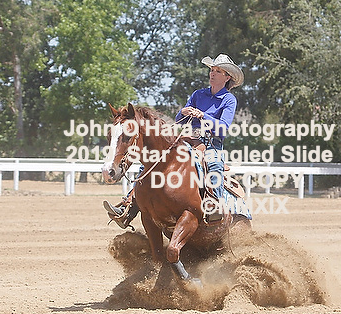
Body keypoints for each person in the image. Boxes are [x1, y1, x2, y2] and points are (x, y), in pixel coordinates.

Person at [104, 54, 244, 228]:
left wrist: (203, 115)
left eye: (218, 71)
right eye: (212, 70)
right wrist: (183, 112)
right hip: (185, 139)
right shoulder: (198, 94)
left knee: (214, 164)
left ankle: (213, 206)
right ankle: (128, 206)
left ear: (227, 77)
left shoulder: (229, 100)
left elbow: (223, 128)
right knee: (150, 161)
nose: (212, 73)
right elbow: (179, 119)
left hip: (210, 143)